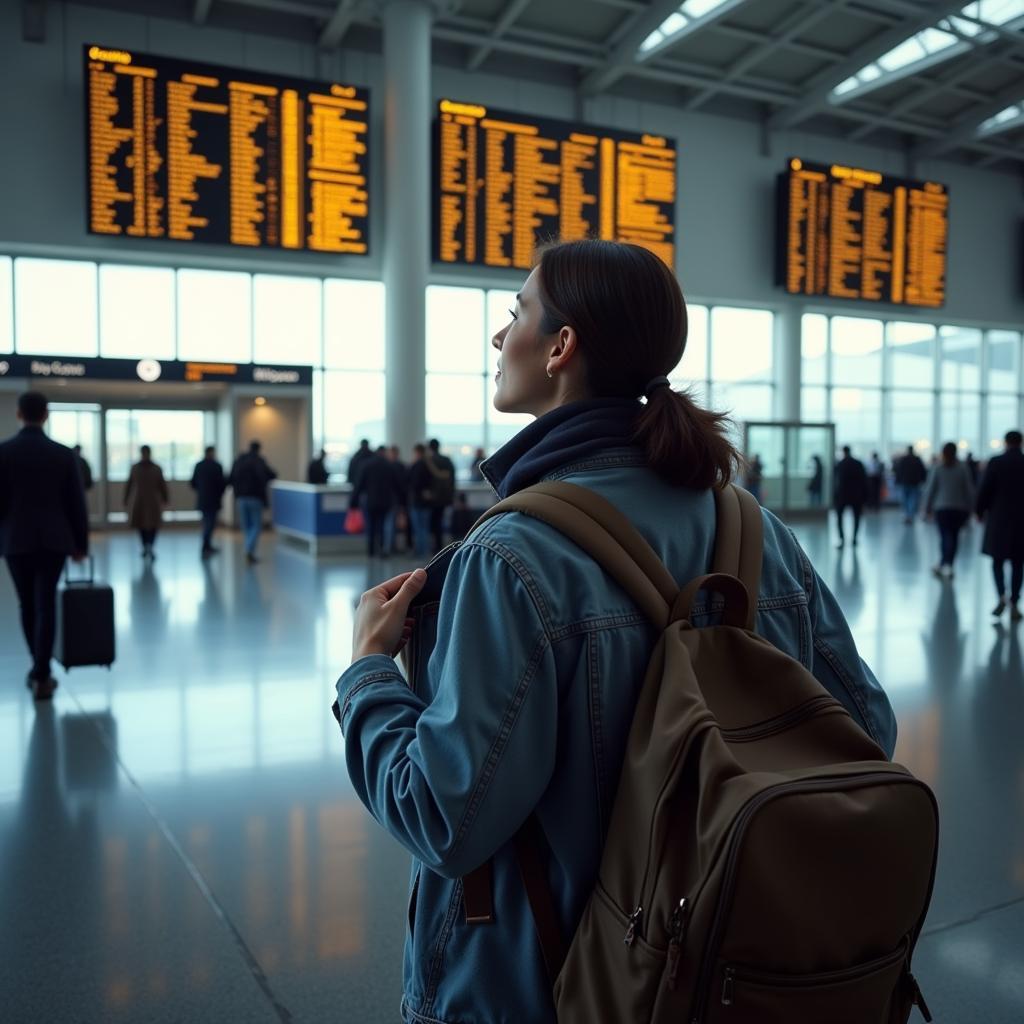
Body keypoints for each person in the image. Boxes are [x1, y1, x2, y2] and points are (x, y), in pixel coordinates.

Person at [335, 239, 895, 1024]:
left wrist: (367, 672)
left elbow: (443, 817)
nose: (501, 339)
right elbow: (868, 730)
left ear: (562, 347)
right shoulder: (754, 526)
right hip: (724, 967)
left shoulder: (512, 555)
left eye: (516, 315)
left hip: (552, 985)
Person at [0, 392, 88, 700]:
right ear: (46, 415)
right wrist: (81, 544)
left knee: (27, 604)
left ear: (19, 414)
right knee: (46, 603)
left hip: (15, 541)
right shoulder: (63, 454)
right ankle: (42, 672)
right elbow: (76, 504)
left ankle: (38, 668)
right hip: (54, 541)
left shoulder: (4, 452)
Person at [976, 429, 1024, 622]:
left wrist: (979, 511)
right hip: (1022, 520)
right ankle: (1015, 600)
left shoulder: (996, 462)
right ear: (1020, 442)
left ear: (1005, 442)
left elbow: (985, 489)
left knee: (997, 561)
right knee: (1018, 563)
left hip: (999, 518)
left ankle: (1001, 596)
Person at [923, 442, 974, 580]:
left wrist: (926, 507)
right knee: (954, 536)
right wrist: (972, 507)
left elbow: (931, 489)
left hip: (942, 507)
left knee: (945, 536)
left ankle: (945, 564)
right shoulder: (962, 468)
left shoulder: (938, 468)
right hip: (959, 508)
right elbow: (968, 489)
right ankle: (948, 564)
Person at [229, 441, 277, 565]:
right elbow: (271, 474)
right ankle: (249, 550)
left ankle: (249, 549)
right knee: (256, 526)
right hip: (255, 497)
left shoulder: (240, 460)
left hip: (241, 497)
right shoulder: (259, 461)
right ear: (258, 449)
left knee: (247, 526)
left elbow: (231, 477)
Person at [350, 445, 401, 558]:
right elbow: (397, 485)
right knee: (382, 525)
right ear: (384, 453)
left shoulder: (367, 465)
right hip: (386, 501)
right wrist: (401, 500)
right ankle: (382, 550)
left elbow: (359, 485)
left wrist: (354, 501)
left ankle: (371, 551)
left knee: (371, 526)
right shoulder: (389, 466)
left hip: (371, 501)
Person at [124, 445, 168, 560]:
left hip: (152, 500)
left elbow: (162, 485)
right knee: (141, 525)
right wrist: (126, 499)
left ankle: (150, 546)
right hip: (140, 500)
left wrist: (165, 497)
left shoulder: (156, 468)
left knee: (153, 525)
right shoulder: (135, 468)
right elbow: (129, 484)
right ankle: (145, 546)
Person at [191, 446, 226, 559]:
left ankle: (207, 544)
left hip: (203, 498)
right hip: (213, 499)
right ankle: (206, 544)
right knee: (210, 523)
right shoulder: (216, 466)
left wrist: (201, 490)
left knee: (207, 522)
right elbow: (222, 484)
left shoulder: (199, 465)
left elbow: (193, 482)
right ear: (211, 453)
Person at [424, 438, 455, 553]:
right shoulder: (447, 460)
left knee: (432, 522)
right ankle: (440, 545)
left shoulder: (429, 461)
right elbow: (452, 480)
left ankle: (433, 546)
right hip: (445, 497)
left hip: (432, 498)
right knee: (441, 521)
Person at [833, 445, 867, 548]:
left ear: (843, 452)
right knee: (856, 517)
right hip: (856, 495)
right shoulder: (858, 463)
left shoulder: (840, 464)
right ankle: (854, 539)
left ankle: (842, 539)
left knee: (839, 517)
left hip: (842, 495)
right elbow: (864, 480)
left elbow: (836, 481)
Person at [406, 443, 433, 558]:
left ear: (417, 452)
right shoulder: (429, 465)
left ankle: (420, 551)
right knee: (425, 527)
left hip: (416, 501)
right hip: (426, 502)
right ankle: (425, 551)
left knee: (418, 528)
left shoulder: (416, 465)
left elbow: (412, 483)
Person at [894, 444, 927, 524]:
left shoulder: (903, 459)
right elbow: (922, 470)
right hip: (914, 482)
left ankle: (906, 515)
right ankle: (910, 516)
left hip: (904, 482)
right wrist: (922, 480)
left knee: (904, 499)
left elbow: (898, 471)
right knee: (912, 499)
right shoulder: (917, 459)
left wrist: (897, 481)